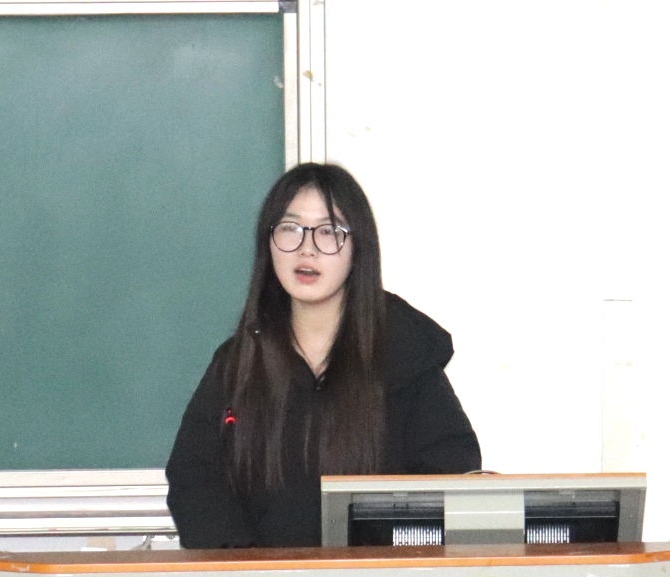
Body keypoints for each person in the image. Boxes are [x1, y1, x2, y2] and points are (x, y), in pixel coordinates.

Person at [165, 162, 480, 548]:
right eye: (290, 228)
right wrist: (251, 568)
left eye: (329, 231)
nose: (307, 248)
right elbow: (194, 479)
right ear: (268, 242)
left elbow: (450, 481)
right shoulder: (239, 363)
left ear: (358, 248)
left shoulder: (405, 355)